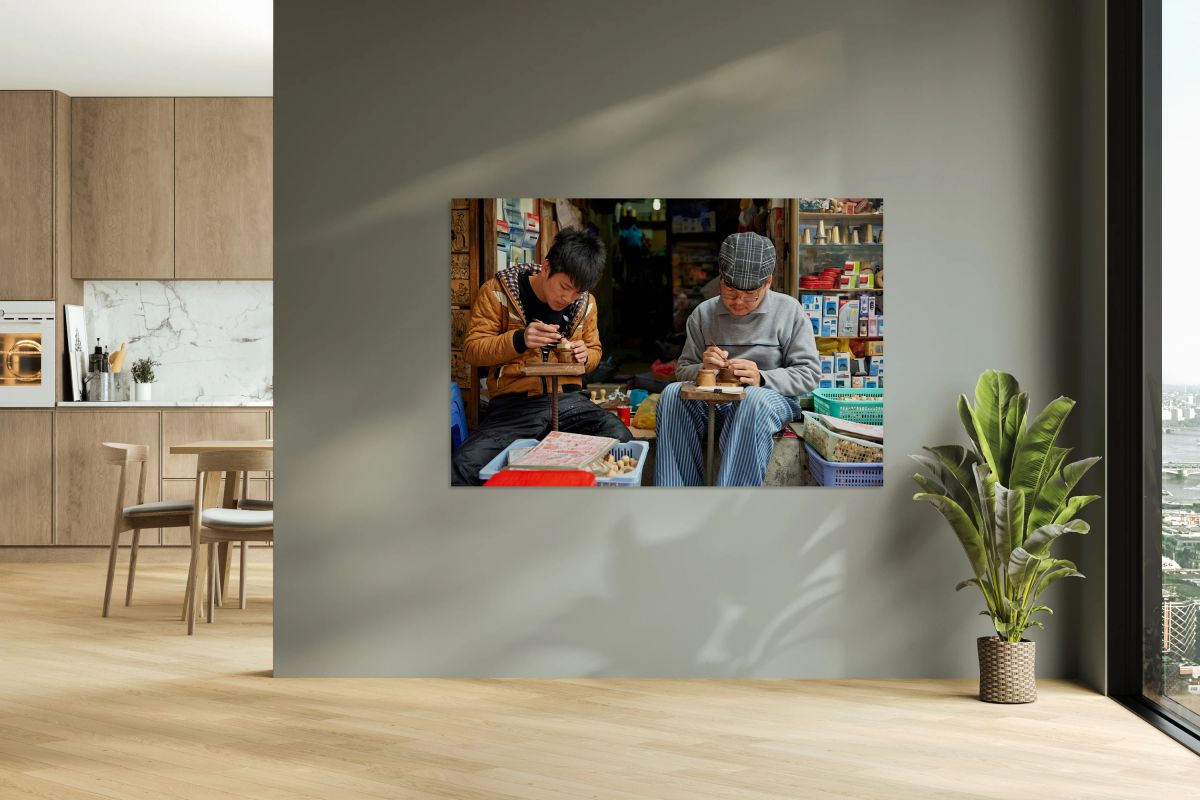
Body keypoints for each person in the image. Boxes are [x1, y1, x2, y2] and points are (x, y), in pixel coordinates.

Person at [452, 226, 632, 486]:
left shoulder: (586, 303)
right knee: (463, 466)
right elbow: (472, 349)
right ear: (546, 267)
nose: (568, 298)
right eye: (564, 287)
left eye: (577, 292)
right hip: (515, 405)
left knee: (619, 437)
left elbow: (595, 351)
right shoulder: (497, 292)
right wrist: (519, 339)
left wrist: (586, 356)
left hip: (570, 401)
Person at [655, 232, 821, 487]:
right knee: (672, 395)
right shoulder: (704, 314)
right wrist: (705, 369)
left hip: (768, 401)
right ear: (720, 279)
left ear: (768, 282)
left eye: (750, 295)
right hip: (716, 402)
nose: (738, 303)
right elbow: (683, 370)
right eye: (730, 292)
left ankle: (731, 506)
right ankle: (678, 496)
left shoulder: (789, 311)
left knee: (751, 399)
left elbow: (809, 373)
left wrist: (762, 377)